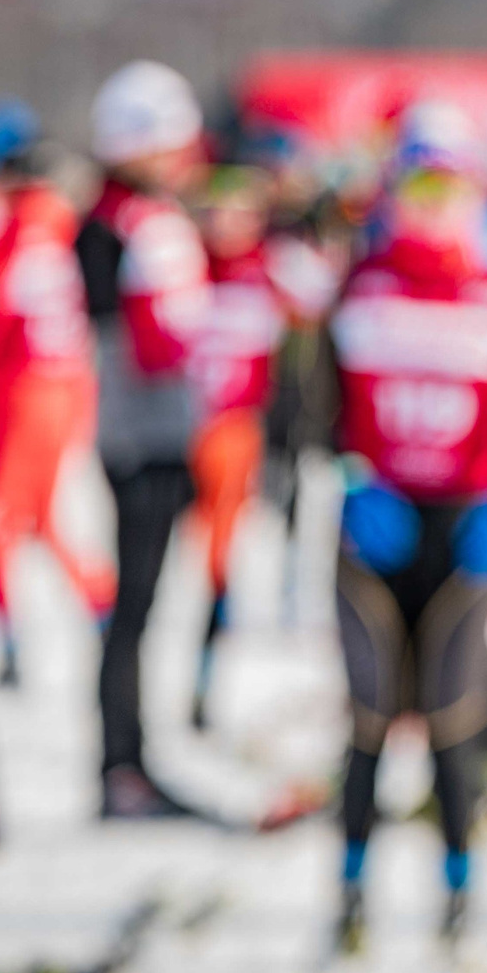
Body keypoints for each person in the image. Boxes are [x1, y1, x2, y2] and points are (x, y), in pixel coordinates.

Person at [317, 104, 487, 951]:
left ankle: (457, 898)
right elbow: (313, 404)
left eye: (449, 182)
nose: (433, 200)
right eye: (419, 181)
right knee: (370, 720)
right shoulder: (362, 278)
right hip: (379, 524)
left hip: (463, 529)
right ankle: (347, 896)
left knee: (454, 721)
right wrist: (347, 479)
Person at [76, 61, 213, 818]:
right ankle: (121, 766)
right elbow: (157, 347)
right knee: (133, 609)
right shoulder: (128, 224)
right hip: (142, 439)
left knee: (142, 608)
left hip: (145, 435)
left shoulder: (122, 219)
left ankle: (127, 760)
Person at [0, 103, 109, 686]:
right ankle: (98, 606)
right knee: (40, 516)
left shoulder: (20, 228)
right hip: (61, 388)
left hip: (23, 393)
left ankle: (13, 635)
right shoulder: (61, 222)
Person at [185, 164, 287, 729]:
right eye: (216, 211)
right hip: (181, 428)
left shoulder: (267, 269)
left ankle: (206, 675)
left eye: (240, 213)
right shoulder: (186, 264)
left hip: (235, 429)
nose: (227, 224)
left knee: (219, 560)